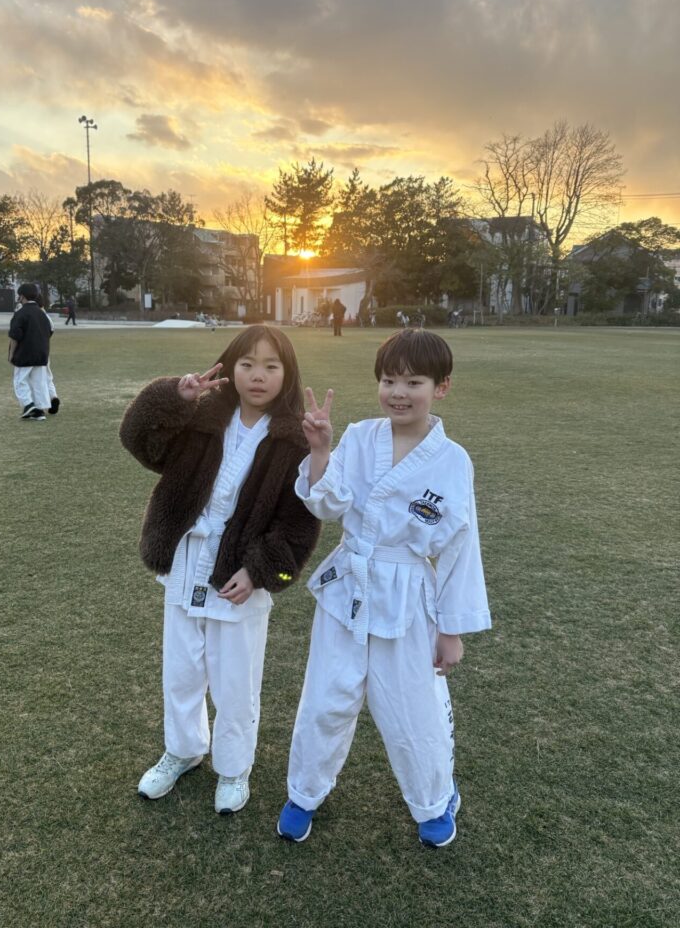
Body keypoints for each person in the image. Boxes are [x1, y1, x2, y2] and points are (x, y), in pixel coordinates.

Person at [277, 328, 491, 847]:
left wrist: (451, 630)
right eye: (389, 380)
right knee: (326, 697)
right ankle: (304, 792)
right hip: (347, 586)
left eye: (413, 382)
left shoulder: (452, 460)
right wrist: (321, 452)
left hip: (408, 592)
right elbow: (327, 504)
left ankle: (434, 799)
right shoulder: (359, 437)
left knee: (411, 708)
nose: (398, 392)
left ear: (441, 387)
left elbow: (461, 547)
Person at [119, 326, 320, 816]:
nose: (257, 375)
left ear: (287, 374)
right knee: (182, 671)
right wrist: (174, 398)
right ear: (230, 368)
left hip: (239, 576)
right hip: (186, 561)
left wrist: (259, 571)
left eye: (271, 366)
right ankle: (184, 749)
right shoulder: (203, 418)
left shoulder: (293, 439)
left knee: (236, 682)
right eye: (247, 364)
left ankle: (233, 767)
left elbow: (298, 524)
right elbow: (137, 440)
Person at [8, 283, 53, 420]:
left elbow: (15, 336)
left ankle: (28, 405)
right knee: (39, 382)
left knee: (20, 380)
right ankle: (40, 410)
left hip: (25, 353)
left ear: (22, 296)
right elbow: (49, 331)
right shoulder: (42, 314)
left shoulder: (20, 314)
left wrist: (11, 354)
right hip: (41, 353)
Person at [37, 296, 61, 415]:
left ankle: (40, 404)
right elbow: (51, 331)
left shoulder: (35, 316)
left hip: (34, 351)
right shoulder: (47, 317)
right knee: (48, 376)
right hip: (45, 350)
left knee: (37, 378)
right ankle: (53, 397)